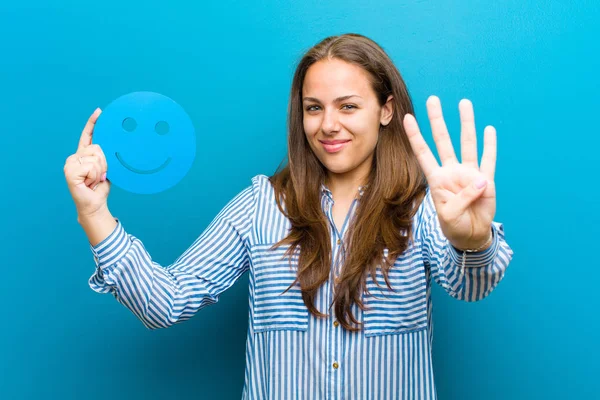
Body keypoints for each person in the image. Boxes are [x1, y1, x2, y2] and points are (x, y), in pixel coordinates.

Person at [64, 33, 514, 399]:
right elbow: (165, 302)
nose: (328, 125)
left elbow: (471, 284)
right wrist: (94, 212)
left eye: (349, 106)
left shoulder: (423, 206)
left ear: (387, 110)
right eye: (313, 108)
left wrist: (472, 240)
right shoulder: (262, 205)